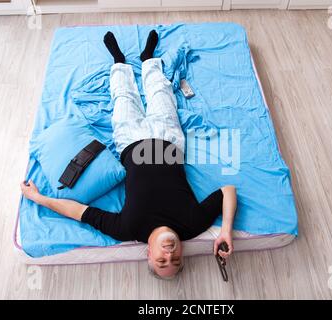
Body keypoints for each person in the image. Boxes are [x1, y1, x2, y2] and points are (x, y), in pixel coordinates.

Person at [21, 30, 237, 280]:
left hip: (131, 140)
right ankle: (147, 58)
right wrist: (226, 232)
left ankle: (119, 61)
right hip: (168, 139)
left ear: (148, 253)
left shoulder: (128, 228)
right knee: (161, 91)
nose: (169, 254)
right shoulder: (193, 225)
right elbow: (227, 191)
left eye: (161, 260)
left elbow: (78, 211)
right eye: (175, 260)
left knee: (123, 96)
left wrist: (38, 198)